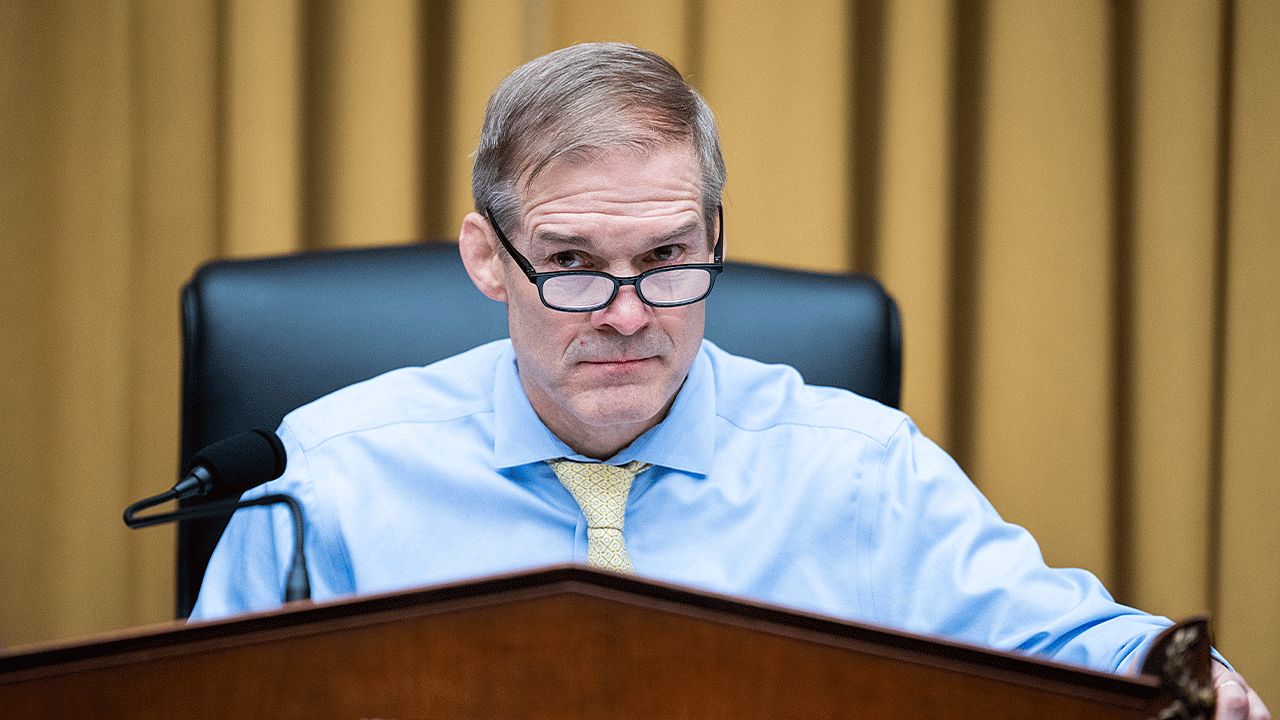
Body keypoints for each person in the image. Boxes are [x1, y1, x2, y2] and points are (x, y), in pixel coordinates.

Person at [190, 42, 1268, 718]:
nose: (625, 314)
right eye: (570, 265)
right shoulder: (323, 482)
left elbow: (1064, 645)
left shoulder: (858, 470)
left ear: (715, 236)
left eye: (667, 259)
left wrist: (1182, 681)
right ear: (488, 260)